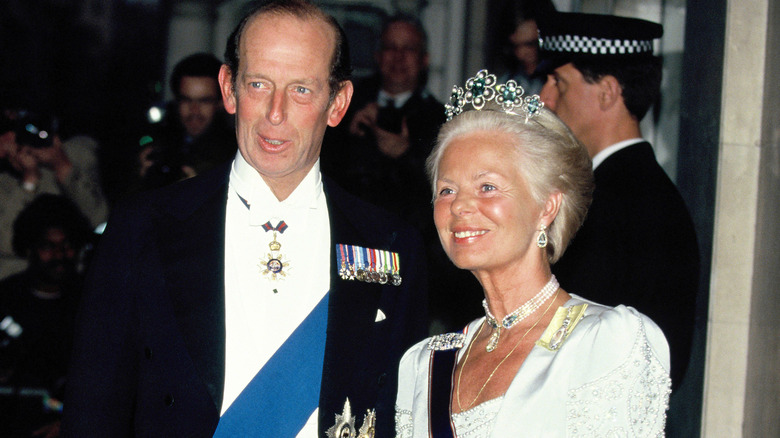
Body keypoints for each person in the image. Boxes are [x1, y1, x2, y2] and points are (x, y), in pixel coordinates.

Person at [61, 1, 427, 437]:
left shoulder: (389, 246)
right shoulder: (144, 228)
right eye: (258, 84)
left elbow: (401, 418)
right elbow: (94, 408)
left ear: (338, 102)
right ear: (229, 89)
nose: (275, 112)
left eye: (302, 90)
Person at [395, 70, 671, 437]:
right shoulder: (424, 364)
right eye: (447, 190)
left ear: (546, 208)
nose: (460, 206)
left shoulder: (602, 342)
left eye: (487, 186)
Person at [537, 11, 699, 390]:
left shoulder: (621, 202)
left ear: (607, 92)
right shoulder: (623, 189)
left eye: (558, 82)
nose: (544, 98)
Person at [0, 194, 94, 438]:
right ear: (30, 248)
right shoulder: (7, 297)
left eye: (67, 246)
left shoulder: (90, 302)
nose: (60, 255)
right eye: (48, 246)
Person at [0, 108, 107, 280]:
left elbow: (99, 222)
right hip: (22, 283)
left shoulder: (78, 154)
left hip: (76, 277)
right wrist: (29, 182)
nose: (8, 142)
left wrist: (63, 168)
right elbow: (7, 244)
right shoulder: (4, 182)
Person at [136, 52, 237, 191]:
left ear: (221, 102)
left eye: (204, 101)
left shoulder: (236, 156)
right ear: (176, 101)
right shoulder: (160, 144)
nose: (194, 110)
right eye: (186, 100)